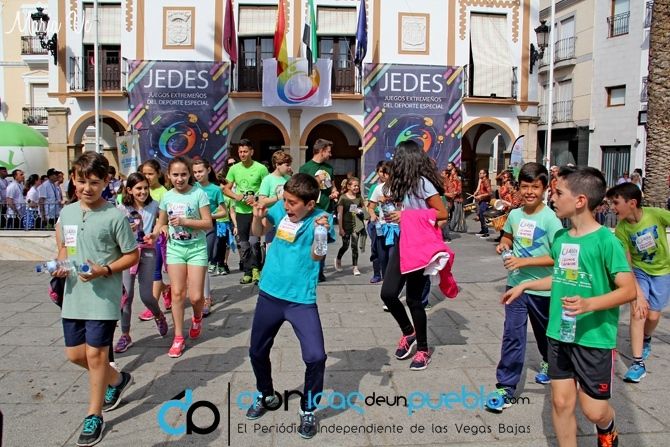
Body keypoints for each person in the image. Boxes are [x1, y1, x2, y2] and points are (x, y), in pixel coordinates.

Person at [502, 166, 636, 447]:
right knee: (561, 403)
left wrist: (589, 303)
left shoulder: (606, 241)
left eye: (558, 193)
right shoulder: (561, 239)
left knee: (594, 411)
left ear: (580, 200)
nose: (552, 198)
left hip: (594, 338)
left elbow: (628, 290)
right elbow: (561, 277)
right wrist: (525, 285)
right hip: (559, 333)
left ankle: (608, 426)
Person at [52, 151, 139, 446]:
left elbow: (132, 255)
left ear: (105, 182)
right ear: (73, 180)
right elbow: (65, 248)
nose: (86, 188)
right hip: (73, 295)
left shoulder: (115, 216)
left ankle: (94, 414)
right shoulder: (67, 213)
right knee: (75, 355)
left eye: (93, 182)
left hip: (103, 297)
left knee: (96, 356)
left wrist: (105, 270)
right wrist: (60, 264)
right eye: (81, 181)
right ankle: (117, 380)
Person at [245, 173, 330, 439]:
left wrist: (321, 232)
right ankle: (266, 394)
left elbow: (317, 256)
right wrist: (258, 216)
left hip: (301, 300)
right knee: (257, 351)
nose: (287, 206)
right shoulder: (280, 209)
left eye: (293, 203)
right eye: (286, 200)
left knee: (316, 356)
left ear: (310, 204)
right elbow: (258, 232)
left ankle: (308, 408)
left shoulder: (321, 219)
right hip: (270, 293)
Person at [484, 162, 563, 413]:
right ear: (519, 187)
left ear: (545, 189)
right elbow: (508, 236)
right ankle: (506, 387)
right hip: (516, 286)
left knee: (544, 334)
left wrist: (524, 261)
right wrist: (504, 245)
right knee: (512, 335)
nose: (530, 192)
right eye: (525, 187)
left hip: (543, 290)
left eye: (535, 187)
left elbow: (558, 258)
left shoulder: (551, 220)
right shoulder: (515, 215)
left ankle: (548, 362)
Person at [380, 140, 448, 371]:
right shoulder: (405, 183)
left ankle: (423, 349)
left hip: (420, 246)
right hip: (404, 242)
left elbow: (442, 213)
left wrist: (406, 217)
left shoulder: (423, 183)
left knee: (413, 299)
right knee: (388, 294)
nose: (394, 162)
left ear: (405, 160)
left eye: (397, 158)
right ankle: (409, 333)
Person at [606, 183, 670, 383]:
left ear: (632, 203)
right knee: (638, 311)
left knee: (653, 315)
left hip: (662, 272)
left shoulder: (655, 214)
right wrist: (638, 295)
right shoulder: (622, 229)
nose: (612, 208)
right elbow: (627, 264)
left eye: (616, 203)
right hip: (638, 272)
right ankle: (638, 363)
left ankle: (647, 337)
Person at [151, 156, 212, 358]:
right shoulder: (167, 196)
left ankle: (197, 318)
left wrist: (186, 221)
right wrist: (156, 233)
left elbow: (208, 223)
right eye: (175, 175)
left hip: (196, 249)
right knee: (177, 293)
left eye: (183, 174)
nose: (179, 179)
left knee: (196, 297)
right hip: (175, 249)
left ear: (190, 175)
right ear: (168, 175)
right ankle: (178, 337)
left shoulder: (198, 194)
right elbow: (161, 222)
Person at [114, 173, 168, 353]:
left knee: (146, 296)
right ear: (129, 190)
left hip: (147, 252)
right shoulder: (121, 208)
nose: (143, 192)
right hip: (127, 254)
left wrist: (157, 232)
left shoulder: (154, 205)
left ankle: (158, 315)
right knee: (126, 296)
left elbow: (162, 222)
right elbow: (114, 231)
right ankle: (125, 334)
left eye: (145, 188)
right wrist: (125, 230)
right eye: (138, 188)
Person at [223, 139, 269, 285]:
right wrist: (236, 196)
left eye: (245, 151)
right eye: (240, 152)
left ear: (251, 152)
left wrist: (256, 198)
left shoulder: (261, 168)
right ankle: (247, 271)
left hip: (256, 211)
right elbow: (225, 189)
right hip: (240, 211)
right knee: (244, 244)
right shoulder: (234, 169)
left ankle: (256, 270)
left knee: (254, 241)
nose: (242, 154)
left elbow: (267, 188)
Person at [299, 138, 339, 282]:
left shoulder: (329, 168)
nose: (330, 154)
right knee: (309, 241)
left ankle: (319, 271)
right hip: (310, 212)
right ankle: (308, 270)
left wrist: (334, 192)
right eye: (328, 151)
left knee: (322, 241)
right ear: (321, 151)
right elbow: (302, 189)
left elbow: (331, 186)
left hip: (325, 210)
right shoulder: (305, 168)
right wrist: (316, 180)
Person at [137, 160, 172, 322]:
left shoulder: (163, 193)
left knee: (155, 272)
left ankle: (152, 307)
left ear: (158, 173)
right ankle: (166, 289)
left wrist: (163, 225)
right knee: (146, 273)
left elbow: (166, 215)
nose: (147, 177)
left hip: (157, 238)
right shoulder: (141, 190)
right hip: (140, 240)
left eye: (150, 174)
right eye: (144, 174)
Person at [193, 158, 227, 316]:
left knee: (203, 262)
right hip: (193, 230)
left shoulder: (215, 189)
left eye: (200, 171)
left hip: (209, 229)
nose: (197, 175)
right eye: (195, 172)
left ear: (208, 170)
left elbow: (223, 211)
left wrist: (209, 216)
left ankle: (206, 298)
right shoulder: (191, 188)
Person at [258, 150, 292, 248]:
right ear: (277, 165)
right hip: (272, 221)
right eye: (287, 165)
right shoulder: (267, 180)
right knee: (272, 249)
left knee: (286, 249)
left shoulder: (289, 179)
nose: (289, 168)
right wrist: (278, 197)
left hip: (287, 222)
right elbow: (262, 201)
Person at [335, 177, 365, 276]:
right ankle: (338, 259)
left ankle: (355, 267)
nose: (356, 187)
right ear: (348, 186)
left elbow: (363, 209)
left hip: (355, 226)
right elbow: (340, 214)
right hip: (345, 225)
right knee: (345, 245)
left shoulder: (359, 197)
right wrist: (340, 228)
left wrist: (361, 212)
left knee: (354, 246)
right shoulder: (343, 198)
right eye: (354, 186)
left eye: (358, 186)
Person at [366, 161, 389, 284]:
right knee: (375, 249)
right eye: (381, 172)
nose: (383, 174)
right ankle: (376, 273)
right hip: (376, 223)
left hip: (390, 223)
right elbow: (370, 206)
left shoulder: (396, 187)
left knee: (388, 251)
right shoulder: (375, 188)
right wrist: (373, 215)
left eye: (386, 172)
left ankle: (388, 274)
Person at [214, 174, 236, 276]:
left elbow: (232, 212)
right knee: (216, 245)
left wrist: (235, 225)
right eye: (220, 184)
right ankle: (214, 263)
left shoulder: (228, 198)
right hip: (215, 224)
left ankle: (222, 264)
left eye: (223, 184)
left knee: (225, 246)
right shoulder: (213, 196)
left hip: (225, 224)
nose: (222, 186)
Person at [474, 169, 492, 238]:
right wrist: (477, 193)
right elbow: (479, 189)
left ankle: (486, 232)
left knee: (483, 216)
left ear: (485, 174)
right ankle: (483, 230)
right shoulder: (481, 181)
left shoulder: (486, 181)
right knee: (481, 216)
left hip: (485, 201)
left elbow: (490, 193)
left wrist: (481, 196)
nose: (480, 174)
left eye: (481, 173)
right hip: (481, 201)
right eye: (479, 173)